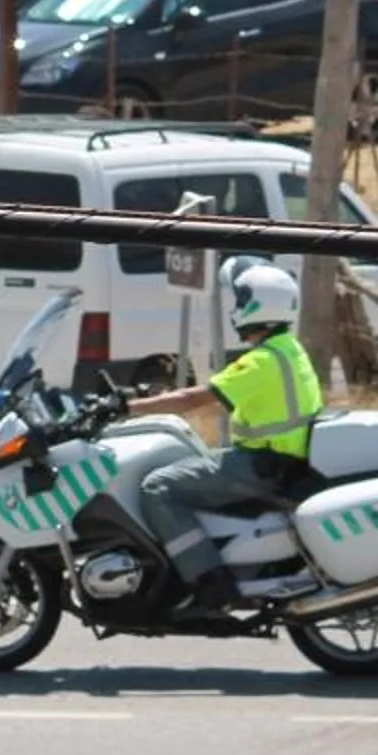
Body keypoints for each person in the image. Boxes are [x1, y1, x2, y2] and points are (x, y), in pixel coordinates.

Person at [125, 261, 322, 611]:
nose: (236, 308)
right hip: (281, 462)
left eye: (241, 300)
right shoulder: (290, 349)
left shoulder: (262, 361)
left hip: (258, 466)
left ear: (257, 305)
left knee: (158, 487)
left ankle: (210, 581)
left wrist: (129, 407)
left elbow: (192, 400)